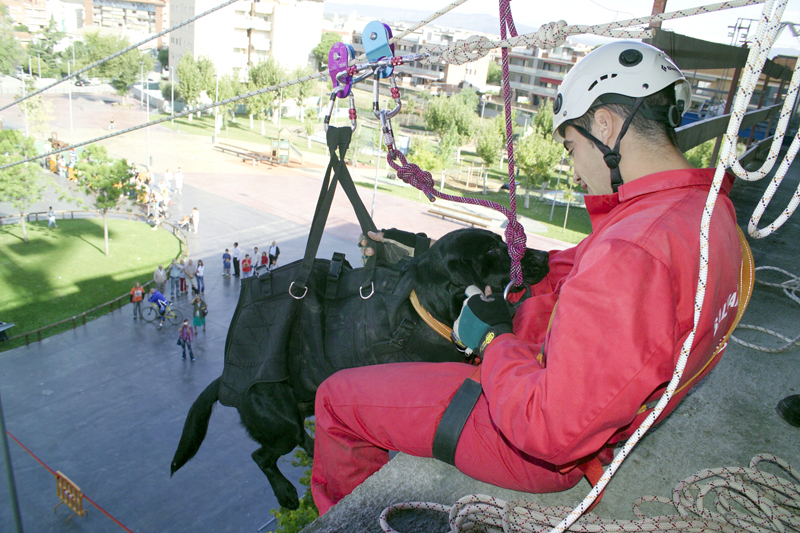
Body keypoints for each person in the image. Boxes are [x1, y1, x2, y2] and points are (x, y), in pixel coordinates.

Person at [310, 41, 743, 515]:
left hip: (529, 436)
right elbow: (572, 269)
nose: (577, 171)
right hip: (582, 392)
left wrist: (496, 340)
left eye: (572, 147)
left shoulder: (632, 251)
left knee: (336, 401)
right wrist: (425, 255)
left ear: (606, 126)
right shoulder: (700, 212)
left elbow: (546, 429)